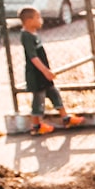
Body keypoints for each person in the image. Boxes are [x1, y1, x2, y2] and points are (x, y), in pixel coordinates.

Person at [19, 7, 85, 136]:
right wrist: (45, 71)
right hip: (36, 75)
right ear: (28, 20)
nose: (40, 20)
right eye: (37, 18)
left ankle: (65, 118)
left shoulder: (33, 34)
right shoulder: (26, 36)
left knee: (54, 93)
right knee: (38, 99)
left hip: (43, 73)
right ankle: (36, 125)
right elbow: (33, 57)